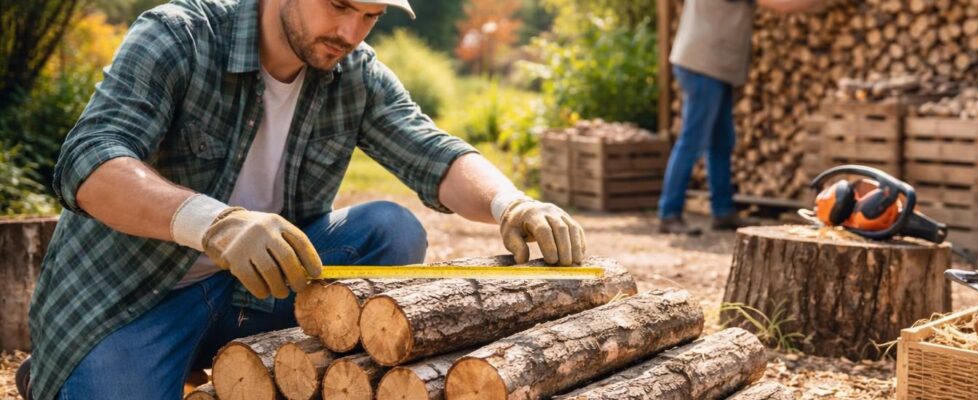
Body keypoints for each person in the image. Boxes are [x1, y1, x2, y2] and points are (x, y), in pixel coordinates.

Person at [18, 0, 585, 398]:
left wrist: (511, 203)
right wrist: (213, 223)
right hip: (135, 299)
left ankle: (238, 363)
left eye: (371, 16)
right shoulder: (178, 36)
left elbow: (432, 152)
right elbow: (89, 161)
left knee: (391, 229)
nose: (352, 32)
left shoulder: (353, 72)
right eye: (339, 5)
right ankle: (74, 370)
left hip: (256, 287)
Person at [658, 0, 824, 235]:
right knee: (692, 141)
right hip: (704, 63)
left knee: (721, 142)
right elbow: (781, 4)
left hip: (713, 65)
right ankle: (669, 213)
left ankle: (722, 211)